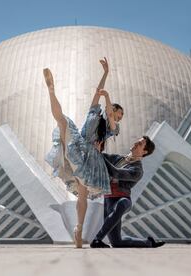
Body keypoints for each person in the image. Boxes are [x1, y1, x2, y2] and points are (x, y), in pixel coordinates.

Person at [44, 58, 123, 248]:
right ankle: (51, 90)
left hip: (91, 159)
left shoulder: (112, 127)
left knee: (82, 194)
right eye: (117, 113)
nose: (117, 116)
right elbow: (97, 92)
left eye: (119, 115)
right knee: (62, 121)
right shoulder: (94, 113)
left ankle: (78, 229)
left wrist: (108, 98)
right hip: (79, 144)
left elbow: (111, 118)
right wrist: (105, 74)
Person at [90, 136, 166, 248]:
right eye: (138, 141)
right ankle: (149, 242)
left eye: (140, 144)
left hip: (123, 200)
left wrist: (98, 154)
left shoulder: (138, 170)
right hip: (108, 200)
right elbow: (100, 158)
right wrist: (95, 148)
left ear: (144, 152)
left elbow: (115, 173)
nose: (136, 143)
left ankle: (97, 240)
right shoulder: (119, 159)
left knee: (121, 204)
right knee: (116, 242)